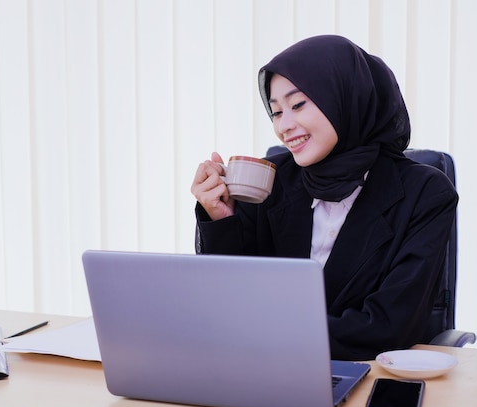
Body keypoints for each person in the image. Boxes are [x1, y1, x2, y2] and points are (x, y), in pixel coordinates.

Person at [190, 34, 458, 361]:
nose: (283, 127)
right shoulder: (272, 178)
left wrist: (268, 334)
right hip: (264, 370)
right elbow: (229, 303)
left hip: (366, 374)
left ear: (346, 97)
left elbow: (389, 327)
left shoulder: (425, 193)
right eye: (276, 112)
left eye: (298, 104)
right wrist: (221, 217)